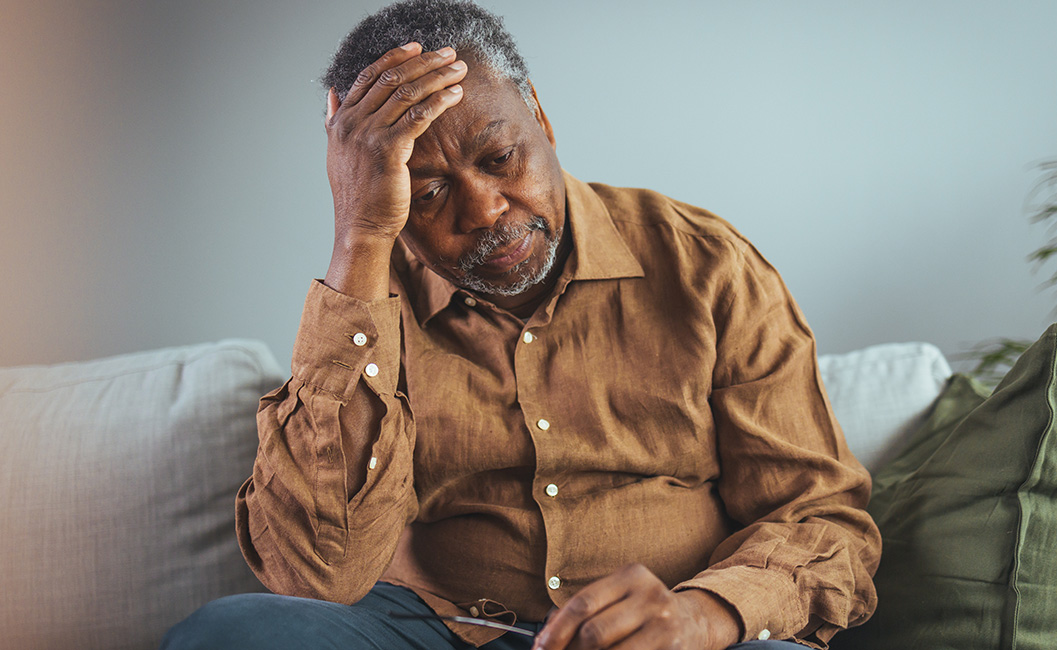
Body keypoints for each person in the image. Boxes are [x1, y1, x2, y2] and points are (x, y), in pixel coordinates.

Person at [162, 1, 880, 648]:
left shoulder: (706, 266)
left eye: (501, 158)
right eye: (429, 190)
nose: (482, 211)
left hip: (674, 629)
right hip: (436, 629)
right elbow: (317, 577)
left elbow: (823, 523)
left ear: (538, 112)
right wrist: (359, 234)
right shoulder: (365, 309)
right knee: (234, 633)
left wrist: (702, 614)